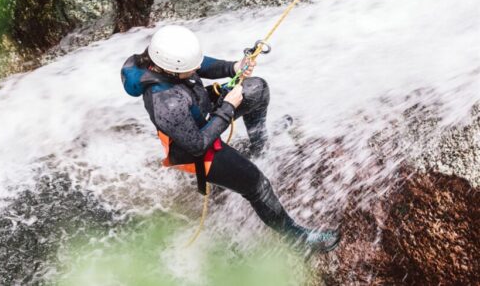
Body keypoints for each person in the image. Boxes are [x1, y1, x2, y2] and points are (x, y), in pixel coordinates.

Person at [121, 25, 339, 252]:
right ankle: (297, 240)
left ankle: (259, 146)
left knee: (257, 89)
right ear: (171, 71)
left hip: (197, 107)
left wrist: (233, 67)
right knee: (257, 185)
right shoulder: (165, 102)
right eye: (191, 67)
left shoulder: (162, 57)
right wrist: (227, 106)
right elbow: (197, 145)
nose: (197, 67)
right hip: (192, 150)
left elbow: (199, 64)